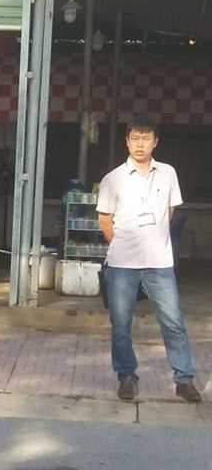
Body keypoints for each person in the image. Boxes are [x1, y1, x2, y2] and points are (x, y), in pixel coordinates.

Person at [96, 115, 201, 402]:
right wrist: (122, 244)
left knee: (174, 322)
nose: (140, 144)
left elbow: (170, 212)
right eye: (135, 138)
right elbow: (104, 219)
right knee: (121, 325)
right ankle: (126, 375)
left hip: (159, 264)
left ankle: (184, 379)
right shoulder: (113, 179)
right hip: (122, 265)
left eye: (146, 138)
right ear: (127, 142)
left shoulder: (168, 173)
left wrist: (153, 240)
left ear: (155, 142)